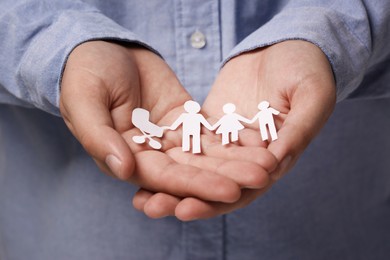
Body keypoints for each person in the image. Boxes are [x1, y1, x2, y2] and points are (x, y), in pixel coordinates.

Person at [1, 1, 390, 260]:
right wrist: (58, 47)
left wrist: (330, 34)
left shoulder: (202, 120)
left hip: (339, 230)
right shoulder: (185, 120)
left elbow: (214, 124)